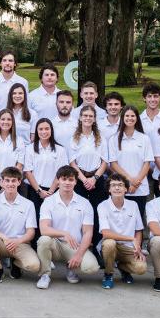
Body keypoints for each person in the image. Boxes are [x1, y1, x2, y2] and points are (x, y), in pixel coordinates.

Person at [36, 166, 100, 289]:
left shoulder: (84, 203)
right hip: (54, 243)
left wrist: (79, 255)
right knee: (43, 240)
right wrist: (64, 233)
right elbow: (44, 229)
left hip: (74, 245)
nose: (67, 182)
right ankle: (45, 275)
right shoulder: (48, 202)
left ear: (76, 181)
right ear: (58, 181)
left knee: (91, 267)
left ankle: (71, 269)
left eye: (71, 180)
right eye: (64, 179)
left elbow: (88, 233)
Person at [0, 167, 40, 283]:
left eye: (13, 181)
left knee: (34, 266)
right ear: (2, 182)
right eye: (7, 180)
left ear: (19, 182)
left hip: (20, 243)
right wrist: (5, 238)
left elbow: (31, 232)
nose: (10, 184)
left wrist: (17, 241)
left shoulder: (28, 204)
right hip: (1, 242)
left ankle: (15, 263)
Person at [68, 106, 108, 260]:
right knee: (80, 213)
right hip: (80, 180)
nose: (87, 118)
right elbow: (72, 162)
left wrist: (94, 178)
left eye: (90, 116)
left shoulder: (100, 138)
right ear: (80, 118)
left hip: (97, 179)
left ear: (94, 118)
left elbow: (105, 161)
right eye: (85, 115)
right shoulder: (74, 138)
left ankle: (98, 248)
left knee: (98, 214)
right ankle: (79, 248)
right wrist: (84, 179)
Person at [97, 173, 147, 289]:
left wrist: (137, 247)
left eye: (120, 185)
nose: (117, 188)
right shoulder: (103, 206)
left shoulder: (133, 205)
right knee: (110, 243)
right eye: (113, 185)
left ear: (126, 189)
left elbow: (138, 229)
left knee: (141, 268)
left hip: (128, 248)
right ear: (109, 189)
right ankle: (108, 274)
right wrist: (131, 239)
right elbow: (106, 233)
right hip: (110, 246)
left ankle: (123, 268)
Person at [108, 105, 154, 220]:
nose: (130, 118)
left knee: (138, 221)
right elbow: (113, 164)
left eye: (133, 116)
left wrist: (136, 183)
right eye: (127, 116)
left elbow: (147, 163)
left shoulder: (144, 138)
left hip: (140, 188)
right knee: (121, 220)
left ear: (137, 118)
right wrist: (129, 181)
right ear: (122, 118)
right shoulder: (114, 139)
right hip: (121, 187)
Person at [23, 118, 68, 219]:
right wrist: (39, 191)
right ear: (36, 131)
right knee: (34, 218)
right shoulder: (29, 149)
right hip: (34, 190)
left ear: (51, 130)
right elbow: (28, 172)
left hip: (54, 191)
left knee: (52, 219)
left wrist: (50, 192)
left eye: (47, 129)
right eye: (41, 129)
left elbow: (61, 173)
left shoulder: (60, 150)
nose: (44, 132)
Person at [0, 109, 25, 200]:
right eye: (3, 119)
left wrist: (8, 182)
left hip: (12, 183)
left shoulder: (19, 141)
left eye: (9, 119)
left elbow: (19, 164)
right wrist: (0, 181)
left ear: (13, 122)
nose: (6, 122)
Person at [50, 90, 77, 160]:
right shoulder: (50, 125)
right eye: (61, 102)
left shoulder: (78, 124)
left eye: (68, 102)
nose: (65, 105)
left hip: (75, 164)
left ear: (72, 104)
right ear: (56, 104)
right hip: (56, 163)